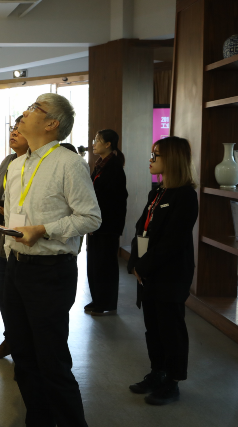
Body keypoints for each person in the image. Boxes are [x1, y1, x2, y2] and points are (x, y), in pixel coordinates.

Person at [4, 93, 101, 427]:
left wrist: (43, 230)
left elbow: (90, 218)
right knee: (23, 357)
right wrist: (10, 255)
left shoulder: (68, 163)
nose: (25, 111)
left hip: (50, 273)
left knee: (52, 361)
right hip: (16, 268)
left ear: (51, 124)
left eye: (35, 108)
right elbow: (12, 217)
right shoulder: (16, 165)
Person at [127, 136, 198, 406]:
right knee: (153, 327)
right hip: (148, 271)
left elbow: (172, 241)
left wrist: (143, 265)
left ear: (172, 159)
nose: (151, 160)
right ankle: (158, 372)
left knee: (171, 328)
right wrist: (135, 262)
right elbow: (142, 229)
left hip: (170, 274)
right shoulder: (157, 193)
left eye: (155, 155)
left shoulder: (186, 196)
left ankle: (173, 380)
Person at [0, 115, 28, 359]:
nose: (13, 133)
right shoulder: (8, 161)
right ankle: (11, 339)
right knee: (1, 296)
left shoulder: (35, 165)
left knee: (18, 300)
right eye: (12, 128)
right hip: (2, 240)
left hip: (23, 240)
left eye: (19, 129)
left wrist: (9, 211)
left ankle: (18, 344)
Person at [85, 129, 128, 316]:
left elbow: (111, 199)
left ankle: (106, 303)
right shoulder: (100, 165)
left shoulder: (114, 167)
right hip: (96, 222)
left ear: (108, 144)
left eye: (97, 140)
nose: (94, 144)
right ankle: (97, 299)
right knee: (94, 264)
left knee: (105, 265)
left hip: (107, 225)